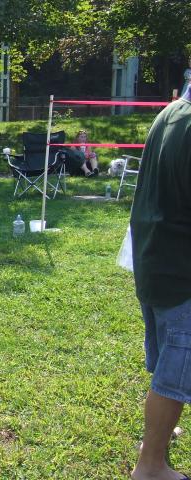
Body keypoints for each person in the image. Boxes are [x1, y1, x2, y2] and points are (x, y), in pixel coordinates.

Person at [129, 88, 191, 480]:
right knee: (175, 374)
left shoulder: (170, 112)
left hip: (154, 258)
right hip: (181, 272)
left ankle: (159, 434)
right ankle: (150, 465)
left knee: (169, 363)